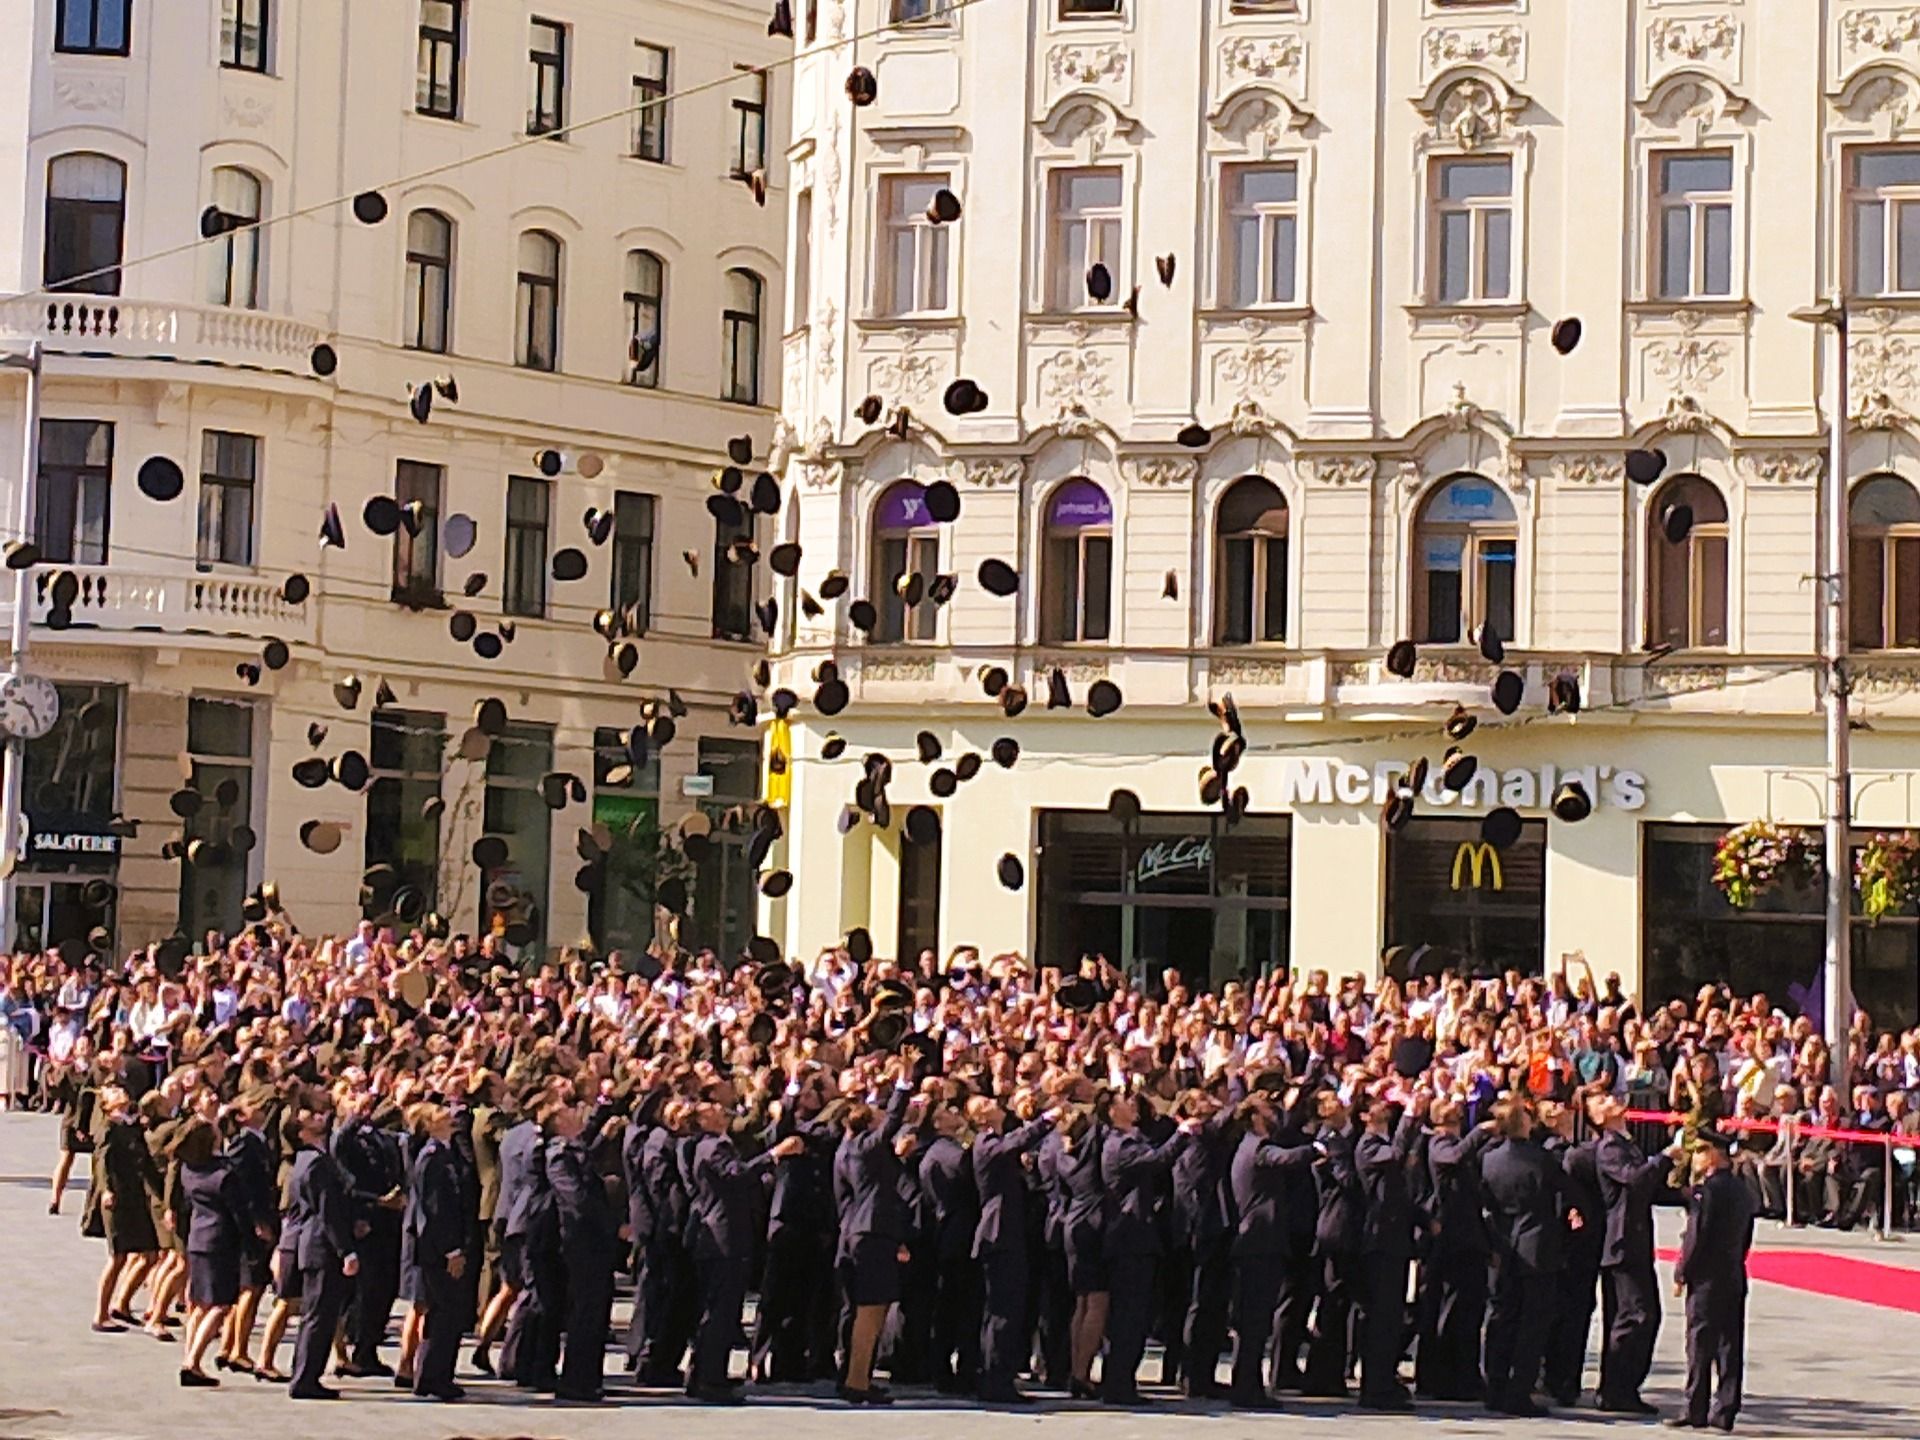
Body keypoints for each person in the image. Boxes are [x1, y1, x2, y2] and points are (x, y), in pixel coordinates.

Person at [1225, 1088, 1315, 1409]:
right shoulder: (1257, 1146)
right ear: (1253, 1117)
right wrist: (1314, 1148)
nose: (1274, 1115)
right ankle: (1247, 1387)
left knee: (1254, 1318)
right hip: (1259, 1242)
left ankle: (1247, 1384)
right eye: (1267, 1111)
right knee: (1254, 1318)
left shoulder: (1250, 1146)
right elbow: (1284, 1158)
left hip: (1259, 1241)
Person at [1479, 1097, 1568, 1417]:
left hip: (1504, 1243)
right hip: (1537, 1244)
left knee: (1502, 1318)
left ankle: (1495, 1386)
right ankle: (1519, 1392)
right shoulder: (1541, 1158)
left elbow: (1485, 1201)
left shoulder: (1489, 1160)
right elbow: (1564, 1190)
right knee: (1533, 1322)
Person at [966, 1089, 1055, 1404]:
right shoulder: (987, 1144)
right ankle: (995, 1379)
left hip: (1008, 1233)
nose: (995, 1104)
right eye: (987, 1105)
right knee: (1003, 1310)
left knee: (1005, 1311)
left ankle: (996, 1375)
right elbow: (1012, 1144)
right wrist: (1045, 1121)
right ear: (981, 1119)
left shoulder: (997, 1145)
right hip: (998, 1234)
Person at [1670, 1130, 1755, 1432]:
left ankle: (1695, 1407)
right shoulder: (1742, 1190)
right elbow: (1746, 1236)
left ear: (1714, 1155)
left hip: (1706, 1277)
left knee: (1700, 1343)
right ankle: (1726, 1409)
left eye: (1700, 1151)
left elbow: (1696, 1237)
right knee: (1730, 1344)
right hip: (1732, 1272)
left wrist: (1682, 1272)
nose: (1696, 1157)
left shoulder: (1706, 1191)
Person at [1589, 1090, 1668, 1416]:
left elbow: (1649, 1187)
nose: (1612, 1100)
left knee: (1640, 1314)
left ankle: (1622, 1386)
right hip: (1621, 1242)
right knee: (1634, 1316)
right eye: (1602, 1102)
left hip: (1634, 1239)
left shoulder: (1627, 1143)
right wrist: (1666, 1157)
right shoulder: (1609, 1147)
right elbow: (1635, 1179)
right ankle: (1616, 1388)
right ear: (1598, 1118)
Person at [285, 1098, 359, 1400]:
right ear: (301, 1133)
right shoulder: (315, 1163)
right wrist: (347, 1251)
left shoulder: (309, 1159)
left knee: (315, 1315)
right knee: (319, 1316)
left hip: (313, 1243)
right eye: (309, 1119)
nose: (318, 1119)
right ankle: (305, 1378)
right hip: (320, 1246)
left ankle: (304, 1372)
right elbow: (327, 1211)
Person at [404, 1102, 469, 1401]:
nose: (448, 1114)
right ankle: (435, 1375)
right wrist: (450, 1250)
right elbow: (434, 1209)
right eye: (440, 1112)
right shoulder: (432, 1157)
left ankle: (432, 1374)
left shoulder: (445, 1152)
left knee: (442, 1313)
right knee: (446, 1313)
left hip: (439, 1246)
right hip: (436, 1249)